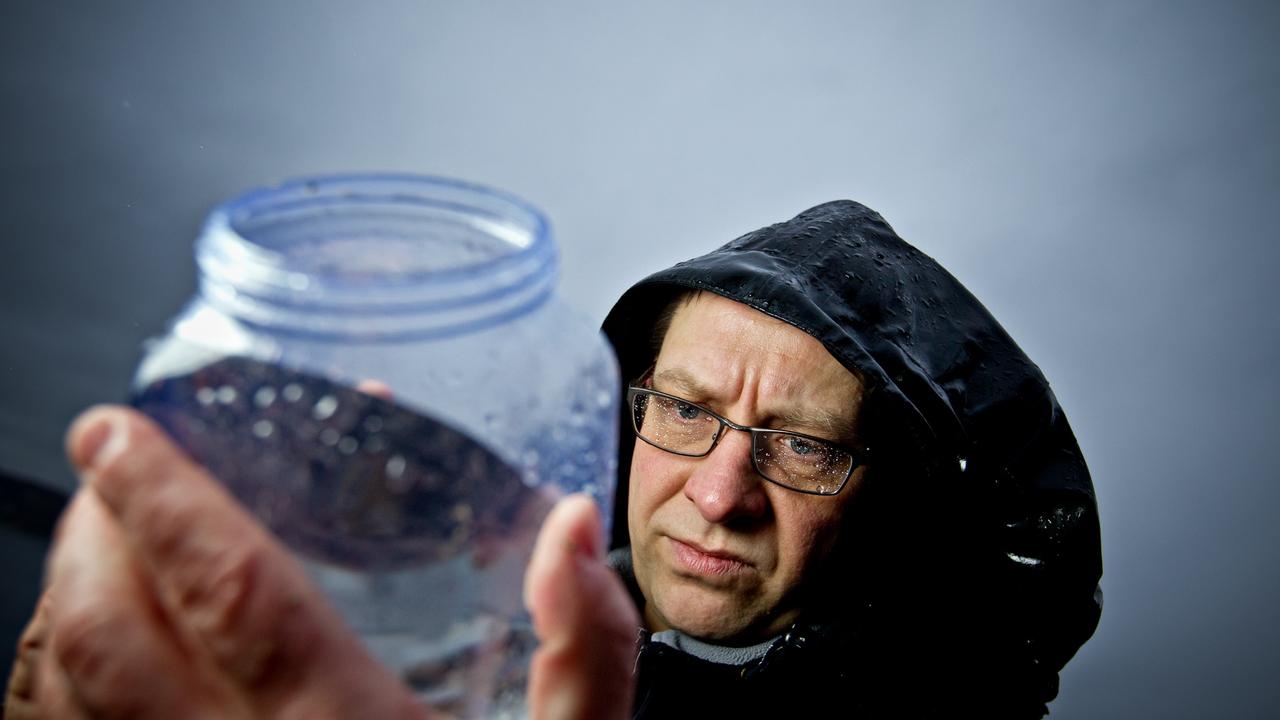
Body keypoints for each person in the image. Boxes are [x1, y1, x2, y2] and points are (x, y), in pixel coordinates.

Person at [6, 200, 1101, 719]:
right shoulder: (480, 640)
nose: (719, 495)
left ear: (888, 494)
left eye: (803, 447)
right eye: (683, 408)